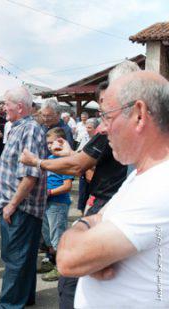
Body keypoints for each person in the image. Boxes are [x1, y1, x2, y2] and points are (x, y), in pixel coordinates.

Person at [56, 71, 169, 308]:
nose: (102, 129)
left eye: (107, 117)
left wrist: (82, 229)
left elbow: (68, 260)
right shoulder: (141, 176)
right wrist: (89, 227)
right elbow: (97, 218)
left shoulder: (159, 184)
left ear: (139, 115)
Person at [19, 82, 127, 308]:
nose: (103, 113)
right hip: (99, 204)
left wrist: (37, 162)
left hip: (101, 205)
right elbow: (86, 163)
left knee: (71, 280)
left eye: (107, 106)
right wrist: (71, 154)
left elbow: (78, 167)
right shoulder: (113, 135)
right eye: (102, 105)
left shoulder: (111, 132)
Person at [0, 86, 48, 308]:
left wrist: (12, 205)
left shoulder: (31, 129)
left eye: (7, 103)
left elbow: (30, 174)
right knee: (22, 257)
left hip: (19, 207)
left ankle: (10, 304)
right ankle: (23, 298)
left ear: (20, 106)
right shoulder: (19, 127)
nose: (3, 107)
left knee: (15, 258)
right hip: (16, 206)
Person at [37, 128, 74, 282]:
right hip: (47, 204)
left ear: (62, 141)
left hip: (58, 204)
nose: (49, 146)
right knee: (48, 237)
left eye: (52, 143)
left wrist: (50, 193)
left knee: (57, 237)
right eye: (48, 143)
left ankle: (62, 268)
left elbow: (67, 186)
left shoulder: (63, 161)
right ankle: (52, 262)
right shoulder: (50, 158)